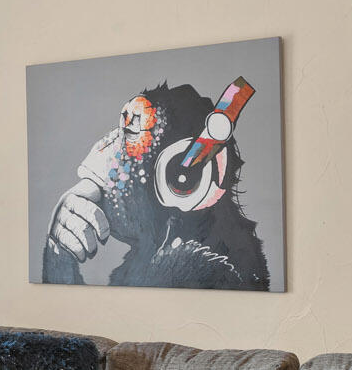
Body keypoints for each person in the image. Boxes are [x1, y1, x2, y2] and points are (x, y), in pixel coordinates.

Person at [41, 77, 269, 290]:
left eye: (131, 132)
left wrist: (59, 258)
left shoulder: (195, 268)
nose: (104, 153)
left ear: (184, 179)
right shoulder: (149, 263)